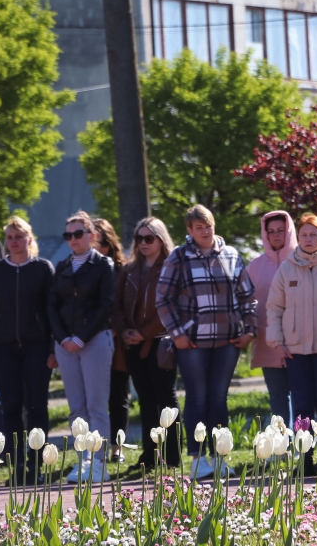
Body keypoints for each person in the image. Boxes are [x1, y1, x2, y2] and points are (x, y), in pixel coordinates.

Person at [156, 205, 257, 480]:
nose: (205, 231)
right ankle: (198, 459)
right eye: (199, 227)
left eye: (209, 225)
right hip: (192, 343)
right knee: (197, 399)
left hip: (228, 340)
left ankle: (221, 457)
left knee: (218, 399)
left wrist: (250, 330)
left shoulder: (232, 254)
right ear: (189, 230)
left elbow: (248, 296)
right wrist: (177, 333)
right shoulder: (179, 257)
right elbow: (162, 298)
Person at [266, 213, 317, 475]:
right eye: (304, 235)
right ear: (297, 238)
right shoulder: (287, 268)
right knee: (301, 406)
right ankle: (304, 459)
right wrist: (277, 342)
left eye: (314, 234)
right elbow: (274, 308)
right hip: (295, 350)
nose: (309, 239)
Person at [48, 210, 115, 482]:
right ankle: (82, 459)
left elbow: (106, 304)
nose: (73, 239)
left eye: (78, 233)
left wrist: (81, 337)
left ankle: (99, 462)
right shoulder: (62, 267)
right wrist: (63, 338)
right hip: (66, 343)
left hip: (95, 339)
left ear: (92, 235)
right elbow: (52, 306)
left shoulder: (103, 265)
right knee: (77, 407)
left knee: (96, 405)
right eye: (68, 235)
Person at [113, 217, 181, 471]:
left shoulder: (171, 266)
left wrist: (144, 332)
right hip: (132, 344)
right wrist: (125, 330)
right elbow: (116, 305)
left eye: (149, 238)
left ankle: (172, 457)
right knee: (145, 400)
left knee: (166, 399)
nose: (143, 243)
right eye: (139, 238)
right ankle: (149, 457)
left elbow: (171, 305)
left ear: (161, 239)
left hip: (161, 343)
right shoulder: (129, 269)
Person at [0, 217, 54, 483]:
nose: (14, 241)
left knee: (37, 407)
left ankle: (35, 467)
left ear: (30, 239)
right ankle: (17, 467)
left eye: (19, 236)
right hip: (4, 348)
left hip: (37, 346)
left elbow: (51, 311)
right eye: (9, 237)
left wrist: (53, 348)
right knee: (10, 409)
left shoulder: (43, 269)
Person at [246, 211, 297, 429]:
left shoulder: (302, 260)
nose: (276, 236)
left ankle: (302, 444)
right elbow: (245, 301)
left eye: (281, 231)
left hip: (299, 341)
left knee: (301, 395)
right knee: (277, 395)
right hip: (269, 341)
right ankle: (282, 445)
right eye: (271, 232)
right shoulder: (255, 266)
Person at [92, 218, 131, 464]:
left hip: (116, 342)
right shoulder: (82, 269)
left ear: (109, 242)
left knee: (118, 395)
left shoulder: (121, 269)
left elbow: (125, 305)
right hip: (88, 340)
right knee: (93, 398)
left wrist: (115, 329)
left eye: (100, 242)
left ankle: (117, 448)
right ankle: (93, 446)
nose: (96, 247)